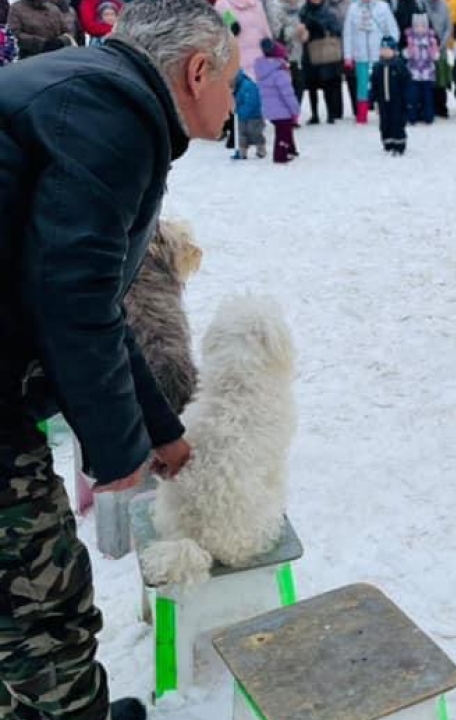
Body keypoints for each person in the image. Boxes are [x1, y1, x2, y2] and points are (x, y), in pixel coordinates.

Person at [0, 2, 235, 718]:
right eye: (233, 79)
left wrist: (158, 428)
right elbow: (72, 298)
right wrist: (118, 451)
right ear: (196, 71)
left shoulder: (96, 93)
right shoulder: (113, 121)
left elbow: (98, 299)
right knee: (41, 594)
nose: (236, 98)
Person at [344, 0, 400, 124]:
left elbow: (393, 30)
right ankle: (362, 115)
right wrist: (348, 55)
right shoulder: (353, 8)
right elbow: (348, 33)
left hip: (379, 55)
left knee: (382, 85)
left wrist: (391, 48)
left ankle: (384, 112)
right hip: (361, 54)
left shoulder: (383, 7)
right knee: (362, 86)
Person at [256, 38, 300, 161]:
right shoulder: (279, 73)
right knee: (283, 133)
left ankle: (291, 150)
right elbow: (288, 94)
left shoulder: (263, 70)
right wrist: (295, 109)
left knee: (284, 129)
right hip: (282, 110)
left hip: (270, 109)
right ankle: (280, 155)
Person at [300, 0, 343, 123]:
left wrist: (322, 27)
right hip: (309, 51)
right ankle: (314, 114)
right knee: (311, 85)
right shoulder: (303, 11)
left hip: (325, 51)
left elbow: (336, 29)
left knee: (327, 83)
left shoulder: (328, 11)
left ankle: (330, 113)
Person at [370, 34, 410, 152]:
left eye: (388, 49)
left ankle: (399, 142)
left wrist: (407, 99)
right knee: (385, 123)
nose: (385, 52)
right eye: (383, 49)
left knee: (397, 121)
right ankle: (387, 142)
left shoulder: (399, 65)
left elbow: (406, 82)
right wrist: (372, 98)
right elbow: (374, 84)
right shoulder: (378, 67)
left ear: (394, 51)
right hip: (383, 101)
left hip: (397, 101)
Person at [7, 0, 76, 60]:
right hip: (32, 58)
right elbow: (15, 34)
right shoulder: (16, 9)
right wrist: (42, 44)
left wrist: (61, 41)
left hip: (58, 56)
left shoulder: (53, 8)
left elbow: (68, 30)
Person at [233, 67, 268, 158]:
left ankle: (261, 149)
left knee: (255, 133)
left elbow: (252, 101)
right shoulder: (237, 87)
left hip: (254, 116)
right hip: (241, 116)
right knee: (242, 134)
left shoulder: (248, 86)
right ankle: (242, 152)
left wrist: (241, 111)